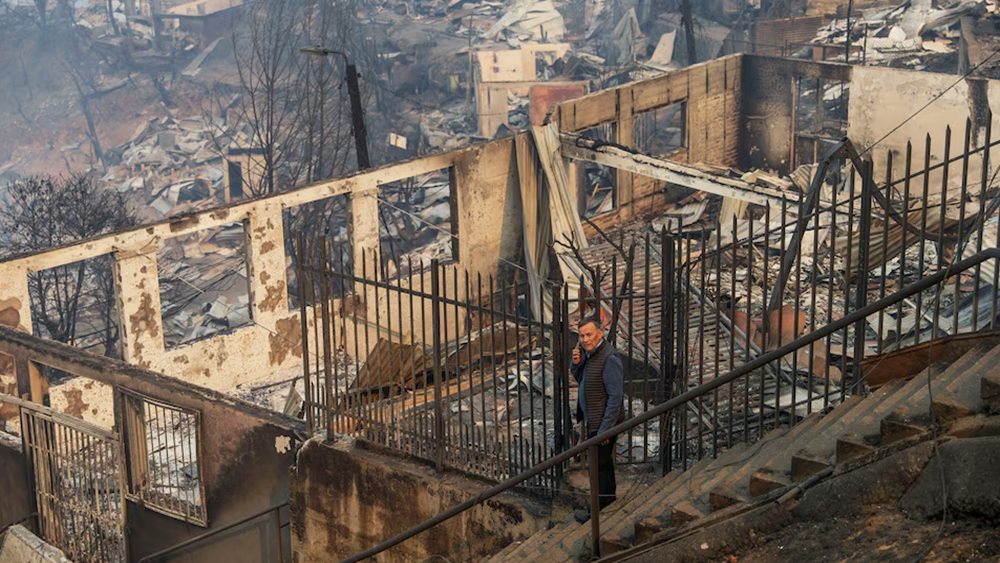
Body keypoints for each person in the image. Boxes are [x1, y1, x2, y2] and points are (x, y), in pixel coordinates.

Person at [570, 316, 624, 521]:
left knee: (598, 468)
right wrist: (576, 364)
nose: (585, 339)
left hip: (603, 423)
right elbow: (583, 379)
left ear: (600, 333)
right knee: (603, 466)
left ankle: (598, 513)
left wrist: (605, 430)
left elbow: (615, 398)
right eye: (582, 336)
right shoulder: (591, 354)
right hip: (596, 420)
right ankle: (608, 504)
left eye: (589, 334)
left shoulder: (609, 358)